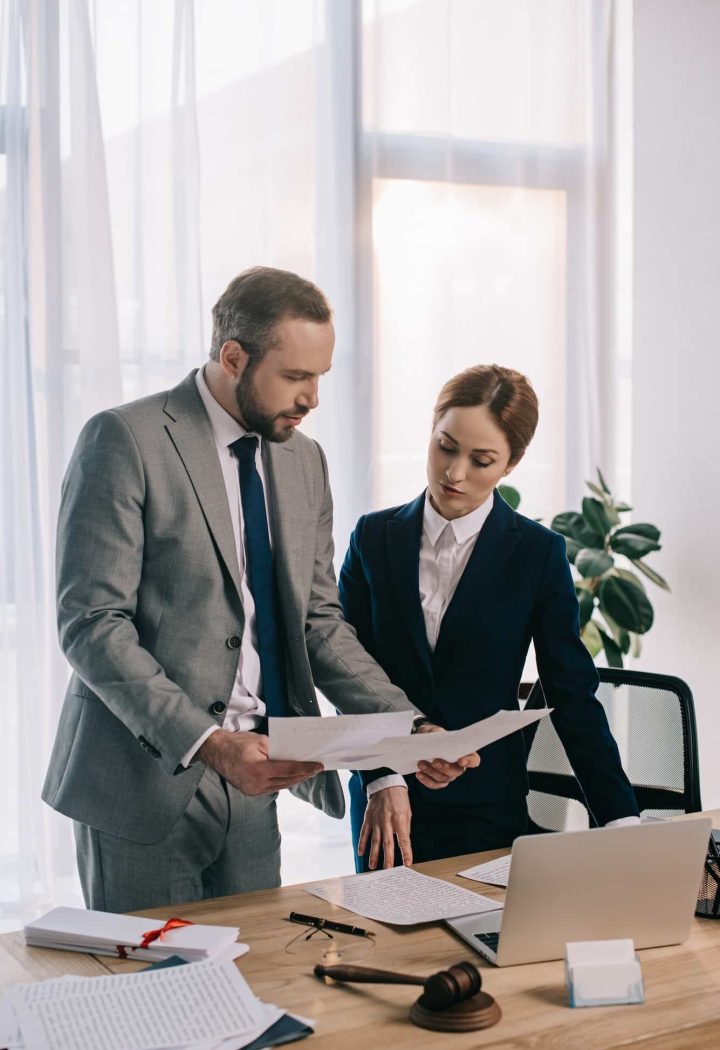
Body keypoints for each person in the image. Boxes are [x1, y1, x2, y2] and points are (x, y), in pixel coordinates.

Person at [43, 267, 477, 912]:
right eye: (296, 377)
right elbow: (92, 622)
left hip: (257, 785)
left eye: (321, 377)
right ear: (233, 357)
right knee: (150, 995)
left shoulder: (305, 461)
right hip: (142, 781)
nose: (312, 399)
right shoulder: (125, 439)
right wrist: (210, 744)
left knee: (252, 983)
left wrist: (407, 729)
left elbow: (319, 623)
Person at [339, 364, 640, 871]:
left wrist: (620, 819)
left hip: (486, 806)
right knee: (387, 946)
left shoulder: (539, 554)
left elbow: (570, 691)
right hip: (388, 799)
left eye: (482, 460)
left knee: (490, 944)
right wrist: (384, 776)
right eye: (445, 446)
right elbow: (346, 668)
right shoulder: (373, 537)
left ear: (512, 463)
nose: (454, 473)